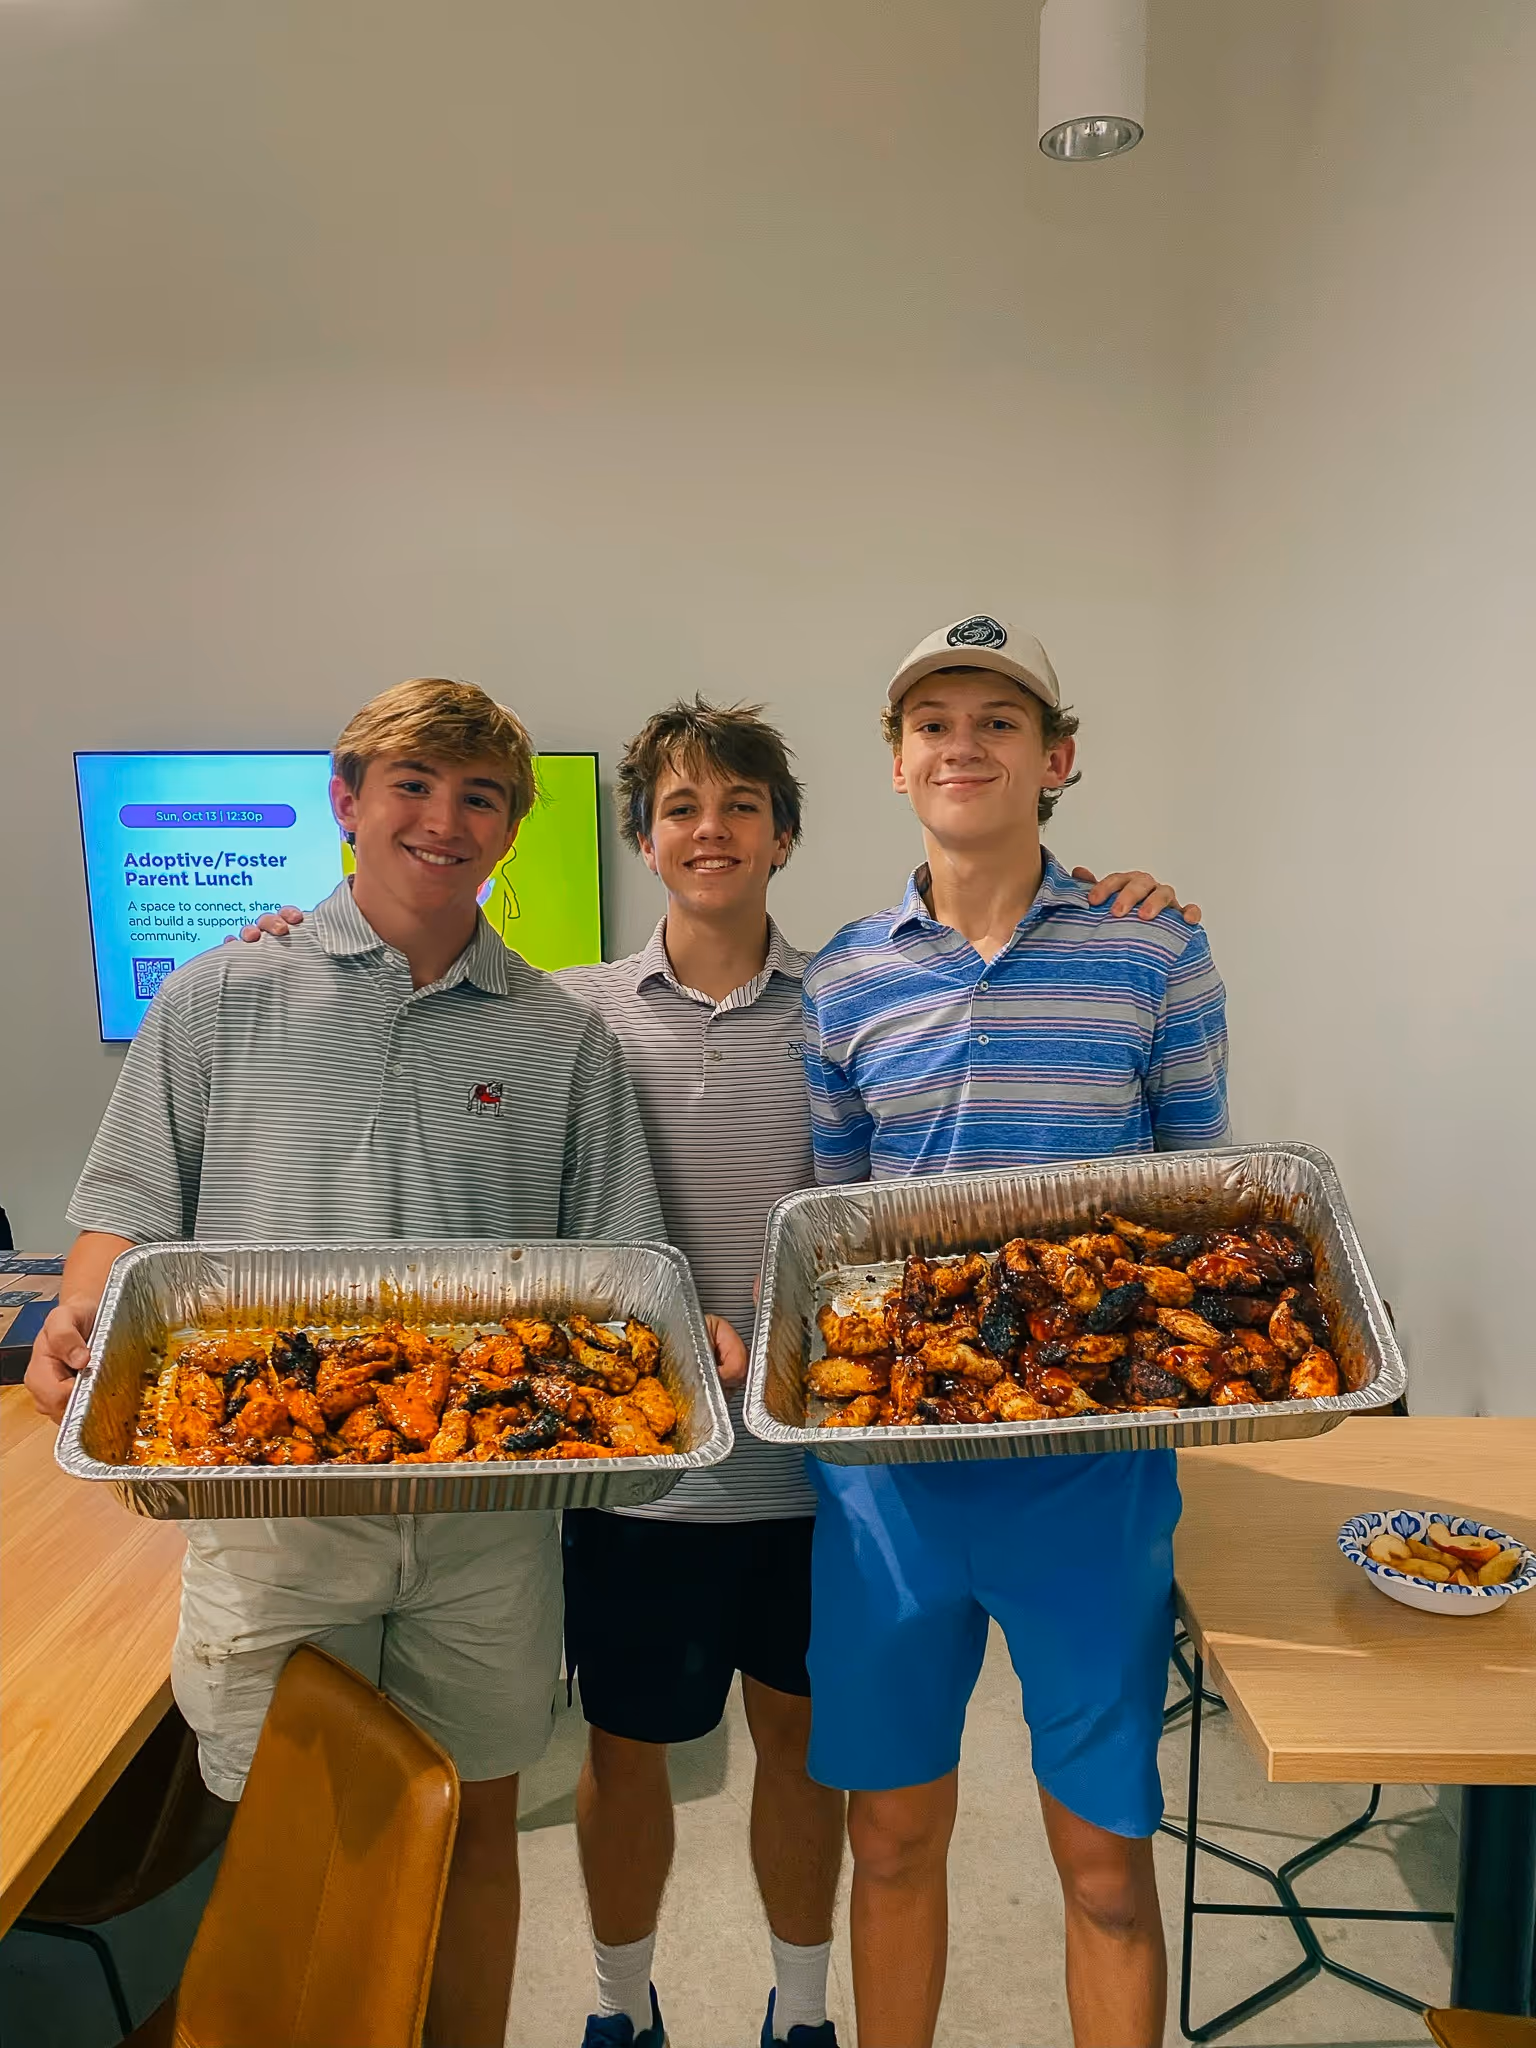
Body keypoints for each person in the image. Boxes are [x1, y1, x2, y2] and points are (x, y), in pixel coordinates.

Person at [237, 692, 1199, 2048]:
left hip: (829, 1486)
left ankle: (799, 2013)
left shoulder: (857, 995)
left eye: (741, 807)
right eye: (681, 808)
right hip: (647, 1491)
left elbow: (889, 1210)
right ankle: (620, 2004)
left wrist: (1112, 895)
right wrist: (292, 935)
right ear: (641, 838)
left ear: (786, 837)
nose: (711, 830)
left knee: (812, 1761)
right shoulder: (566, 1019)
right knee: (629, 1756)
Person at [26, 678, 667, 2048]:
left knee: (481, 1825)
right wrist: (83, 1312)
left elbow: (618, 1274)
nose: (444, 819)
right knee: (288, 1845)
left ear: (508, 830)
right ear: (349, 801)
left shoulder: (560, 1037)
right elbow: (131, 1202)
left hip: (489, 1526)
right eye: (414, 786)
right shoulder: (217, 996)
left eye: (480, 796)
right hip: (273, 1524)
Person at [798, 616, 1229, 2048]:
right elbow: (839, 1229)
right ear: (899, 760)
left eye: (997, 720)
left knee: (1107, 1869)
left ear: (1057, 759)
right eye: (933, 721)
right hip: (891, 1487)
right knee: (890, 1843)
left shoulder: (1153, 948)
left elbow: (1195, 1208)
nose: (962, 744)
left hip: (1090, 1479)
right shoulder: (847, 981)